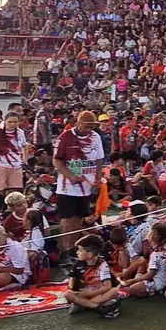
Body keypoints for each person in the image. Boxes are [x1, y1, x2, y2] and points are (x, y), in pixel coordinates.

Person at [52, 110, 106, 261]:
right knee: (67, 218)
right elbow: (57, 161)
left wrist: (98, 178)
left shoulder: (96, 137)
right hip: (67, 186)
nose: (88, 129)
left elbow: (99, 160)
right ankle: (65, 249)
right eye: (85, 126)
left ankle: (74, 248)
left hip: (86, 185)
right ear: (78, 123)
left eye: (91, 126)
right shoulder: (65, 136)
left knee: (79, 217)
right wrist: (70, 176)